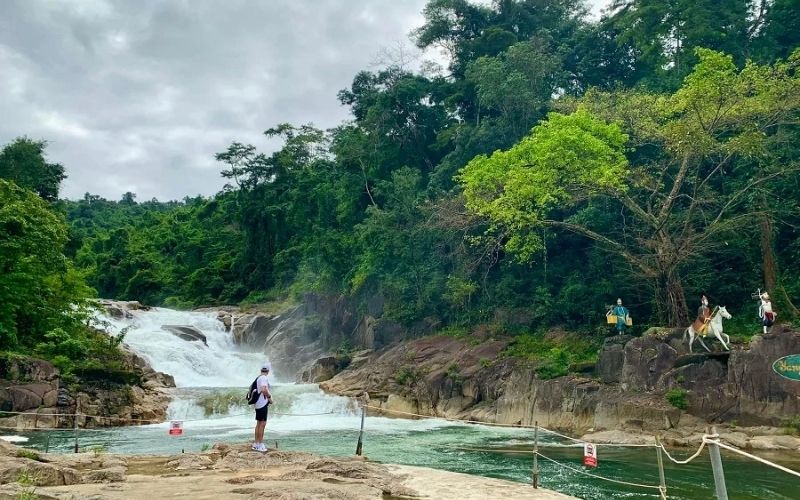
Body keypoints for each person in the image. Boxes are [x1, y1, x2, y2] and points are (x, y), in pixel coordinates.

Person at [252, 362, 273, 452]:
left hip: (258, 403)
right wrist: (269, 398)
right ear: (268, 371)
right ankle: (260, 444)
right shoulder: (264, 378)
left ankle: (256, 443)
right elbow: (264, 389)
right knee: (262, 424)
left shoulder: (259, 377)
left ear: (261, 370)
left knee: (258, 423)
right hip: (262, 404)